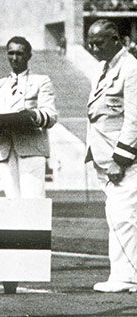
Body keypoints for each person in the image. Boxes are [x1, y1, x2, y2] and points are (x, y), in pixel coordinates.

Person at [86, 19, 137, 293]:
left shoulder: (131, 69)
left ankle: (125, 276)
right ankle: (128, 274)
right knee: (120, 216)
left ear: (116, 40)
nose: (93, 48)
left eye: (99, 42)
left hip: (125, 161)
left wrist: (121, 158)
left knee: (122, 218)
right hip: (105, 158)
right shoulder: (101, 69)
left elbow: (135, 119)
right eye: (90, 43)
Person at [0, 36, 57, 198]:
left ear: (29, 56)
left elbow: (51, 116)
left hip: (31, 147)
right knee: (12, 203)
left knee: (33, 202)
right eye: (11, 53)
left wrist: (31, 115)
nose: (14, 58)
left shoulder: (41, 81)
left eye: (20, 54)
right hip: (5, 149)